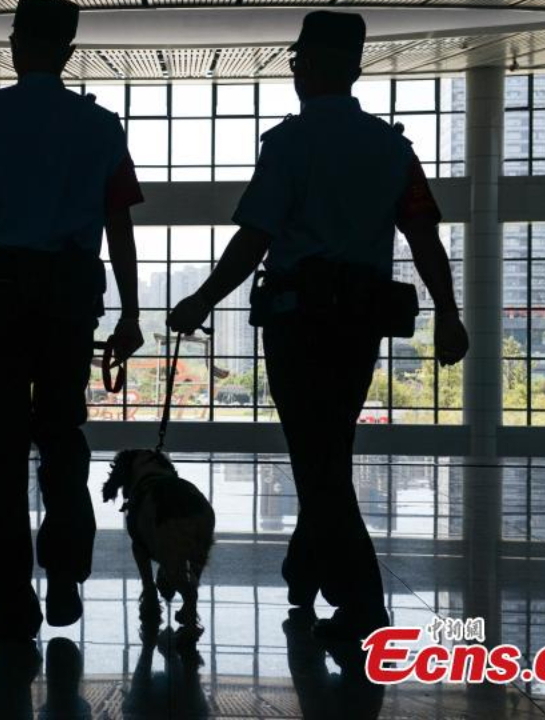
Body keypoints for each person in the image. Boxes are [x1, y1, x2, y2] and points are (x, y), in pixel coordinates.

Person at [168, 10, 469, 641]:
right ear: (354, 69)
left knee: (318, 458)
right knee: (327, 448)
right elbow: (423, 238)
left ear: (312, 67)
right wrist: (447, 311)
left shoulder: (288, 144)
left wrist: (201, 299)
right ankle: (304, 568)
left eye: (298, 59)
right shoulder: (394, 147)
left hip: (297, 321)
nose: (294, 69)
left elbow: (255, 238)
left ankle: (362, 600)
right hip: (360, 322)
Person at [0, 0, 145, 641]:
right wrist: (129, 309)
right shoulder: (100, 126)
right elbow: (118, 220)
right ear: (67, 52)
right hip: (71, 290)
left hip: (1, 290)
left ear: (15, 46)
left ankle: (12, 605)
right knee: (63, 433)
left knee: (4, 450)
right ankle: (65, 570)